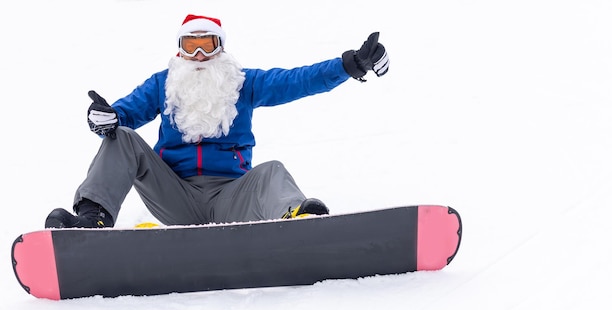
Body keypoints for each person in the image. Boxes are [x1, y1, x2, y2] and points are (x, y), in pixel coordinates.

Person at [45, 14, 389, 228]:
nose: (198, 56)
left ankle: (297, 221)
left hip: (232, 197)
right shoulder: (163, 85)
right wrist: (106, 118)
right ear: (179, 50)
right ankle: (92, 220)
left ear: (220, 48)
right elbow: (125, 113)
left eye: (206, 45)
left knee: (272, 170)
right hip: (175, 194)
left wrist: (352, 64)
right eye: (190, 46)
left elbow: (297, 80)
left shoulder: (244, 83)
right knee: (122, 136)